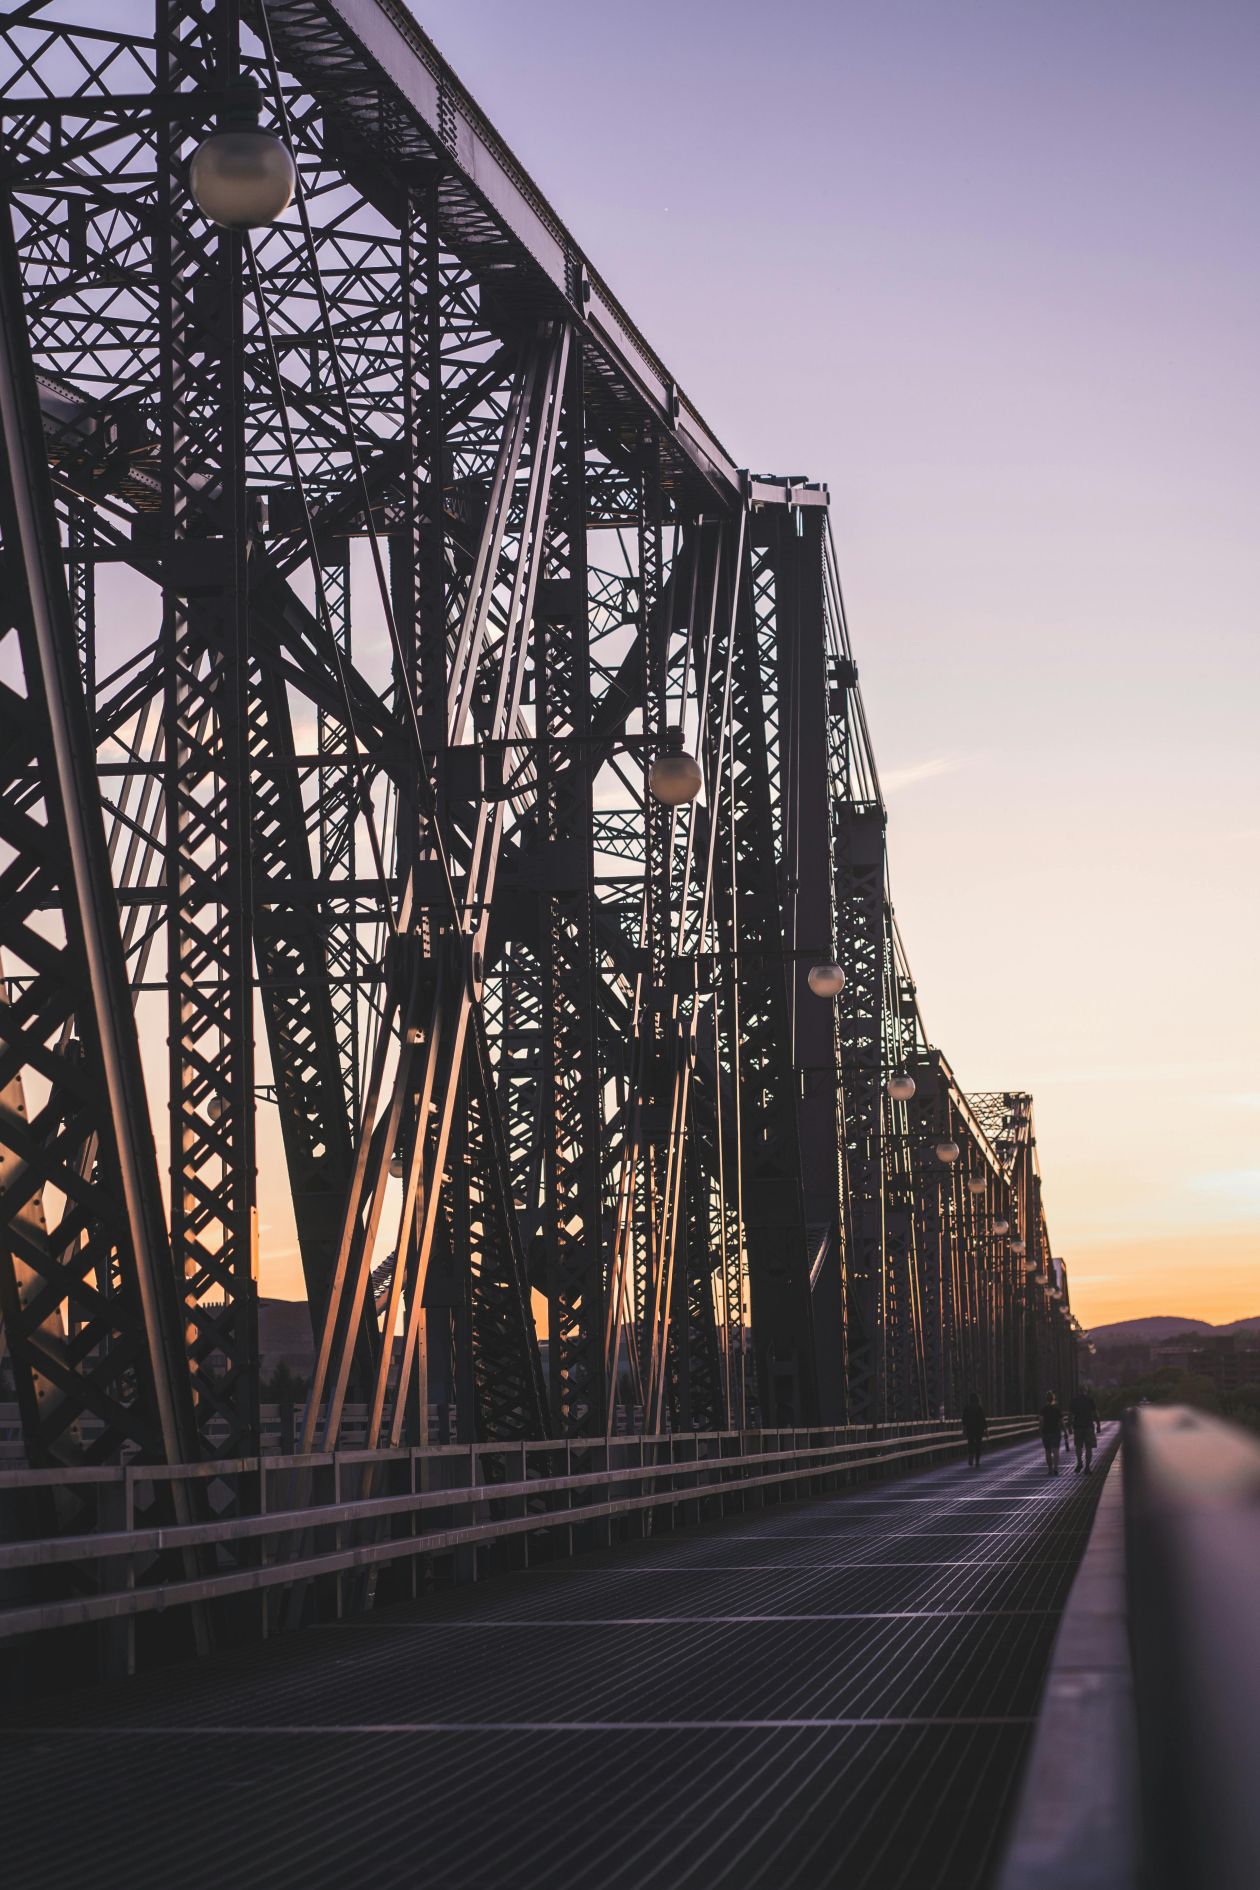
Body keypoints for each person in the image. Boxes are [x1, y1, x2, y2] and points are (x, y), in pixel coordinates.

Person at [1070, 1387, 1100, 1473]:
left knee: (1078, 1446)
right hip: (1088, 1427)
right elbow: (1095, 1413)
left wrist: (1069, 1426)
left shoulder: (1074, 1401)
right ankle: (1087, 1467)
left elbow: (1070, 1414)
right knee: (1088, 1447)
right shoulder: (1090, 1400)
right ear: (1086, 1391)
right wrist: (1098, 1424)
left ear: (1079, 1391)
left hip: (1078, 1427)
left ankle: (1079, 1462)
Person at [961, 1391, 988, 1468]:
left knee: (970, 1443)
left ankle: (970, 1456)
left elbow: (964, 1419)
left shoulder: (967, 1408)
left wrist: (964, 1428)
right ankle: (977, 1461)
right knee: (978, 1445)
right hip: (979, 1429)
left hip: (970, 1429)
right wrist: (986, 1430)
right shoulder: (979, 1408)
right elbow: (983, 1420)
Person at [1039, 1391, 1063, 1475]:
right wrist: (1065, 1431)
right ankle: (1056, 1468)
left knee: (1048, 1451)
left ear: (1046, 1399)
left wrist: (1040, 1431)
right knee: (1056, 1450)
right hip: (1056, 1431)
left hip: (1046, 1432)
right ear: (1053, 1398)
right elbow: (1061, 1421)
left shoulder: (1043, 1409)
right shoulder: (1057, 1409)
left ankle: (1050, 1469)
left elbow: (1041, 1421)